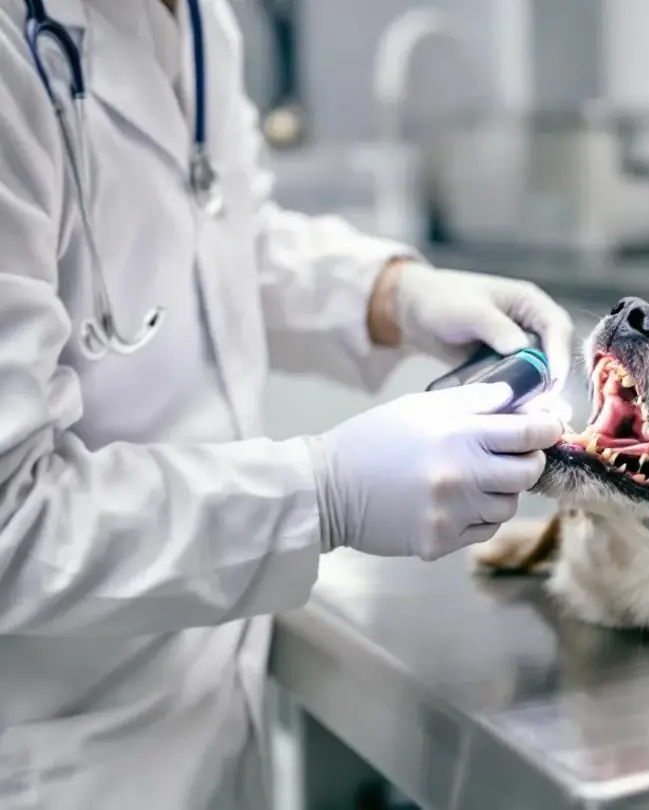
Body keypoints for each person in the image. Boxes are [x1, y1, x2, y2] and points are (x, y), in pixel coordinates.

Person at [0, 1, 574, 808]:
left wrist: (393, 294)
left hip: (208, 709)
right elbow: (10, 524)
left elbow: (228, 233)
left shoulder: (200, 20)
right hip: (59, 755)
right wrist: (320, 494)